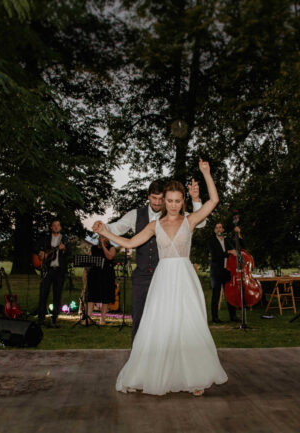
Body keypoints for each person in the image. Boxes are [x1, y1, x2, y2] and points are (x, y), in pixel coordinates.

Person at [95, 159, 227, 396]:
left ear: (183, 201)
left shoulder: (190, 220)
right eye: (170, 201)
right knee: (158, 326)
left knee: (188, 326)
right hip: (163, 279)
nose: (174, 205)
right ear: (164, 201)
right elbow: (131, 242)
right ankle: (148, 374)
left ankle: (194, 378)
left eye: (178, 201)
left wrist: (206, 173)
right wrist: (105, 231)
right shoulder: (155, 225)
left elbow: (213, 201)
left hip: (185, 279)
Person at [94, 178, 205, 340]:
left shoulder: (177, 214)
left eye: (161, 199)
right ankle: (138, 353)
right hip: (142, 276)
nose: (158, 202)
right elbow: (117, 228)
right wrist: (103, 228)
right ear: (148, 196)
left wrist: (196, 199)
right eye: (154, 198)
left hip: (167, 278)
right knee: (139, 318)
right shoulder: (135, 215)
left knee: (165, 320)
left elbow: (200, 223)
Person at [35, 218, 70, 328]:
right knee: (43, 294)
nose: (56, 227)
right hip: (47, 269)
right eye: (54, 225)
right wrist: (40, 253)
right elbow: (36, 247)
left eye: (58, 225)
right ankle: (41, 318)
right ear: (51, 227)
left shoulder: (65, 239)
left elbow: (69, 253)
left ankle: (54, 319)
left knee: (57, 295)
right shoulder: (46, 238)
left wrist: (64, 249)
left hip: (59, 270)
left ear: (60, 227)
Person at [207, 222, 244, 323]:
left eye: (220, 227)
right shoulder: (211, 241)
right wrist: (228, 252)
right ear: (215, 230)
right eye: (217, 228)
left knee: (229, 294)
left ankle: (233, 316)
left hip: (227, 270)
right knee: (216, 294)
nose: (219, 229)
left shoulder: (228, 240)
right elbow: (216, 255)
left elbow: (240, 247)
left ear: (223, 229)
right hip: (216, 271)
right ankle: (215, 318)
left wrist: (239, 234)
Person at [85, 235, 117, 325]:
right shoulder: (93, 248)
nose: (101, 239)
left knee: (105, 296)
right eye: (100, 237)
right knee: (92, 296)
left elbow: (110, 257)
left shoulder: (111, 248)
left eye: (104, 237)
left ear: (107, 238)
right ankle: (88, 317)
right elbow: (89, 260)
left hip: (106, 274)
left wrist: (103, 246)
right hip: (94, 274)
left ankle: (102, 319)